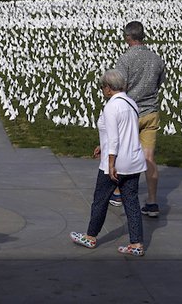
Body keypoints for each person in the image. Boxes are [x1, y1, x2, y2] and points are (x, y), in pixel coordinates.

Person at [69, 69, 146, 257]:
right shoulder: (131, 103)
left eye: (102, 87)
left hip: (116, 162)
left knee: (100, 201)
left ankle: (90, 237)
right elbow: (124, 132)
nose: (102, 90)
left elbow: (114, 139)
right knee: (131, 202)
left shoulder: (112, 106)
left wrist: (111, 164)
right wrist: (102, 145)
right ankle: (136, 244)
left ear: (109, 88)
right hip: (134, 160)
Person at [109, 21, 166, 217]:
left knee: (122, 153)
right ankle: (152, 203)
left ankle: (117, 194)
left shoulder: (124, 60)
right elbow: (159, 83)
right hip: (150, 113)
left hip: (130, 113)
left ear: (128, 37)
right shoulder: (157, 59)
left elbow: (119, 86)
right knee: (149, 158)